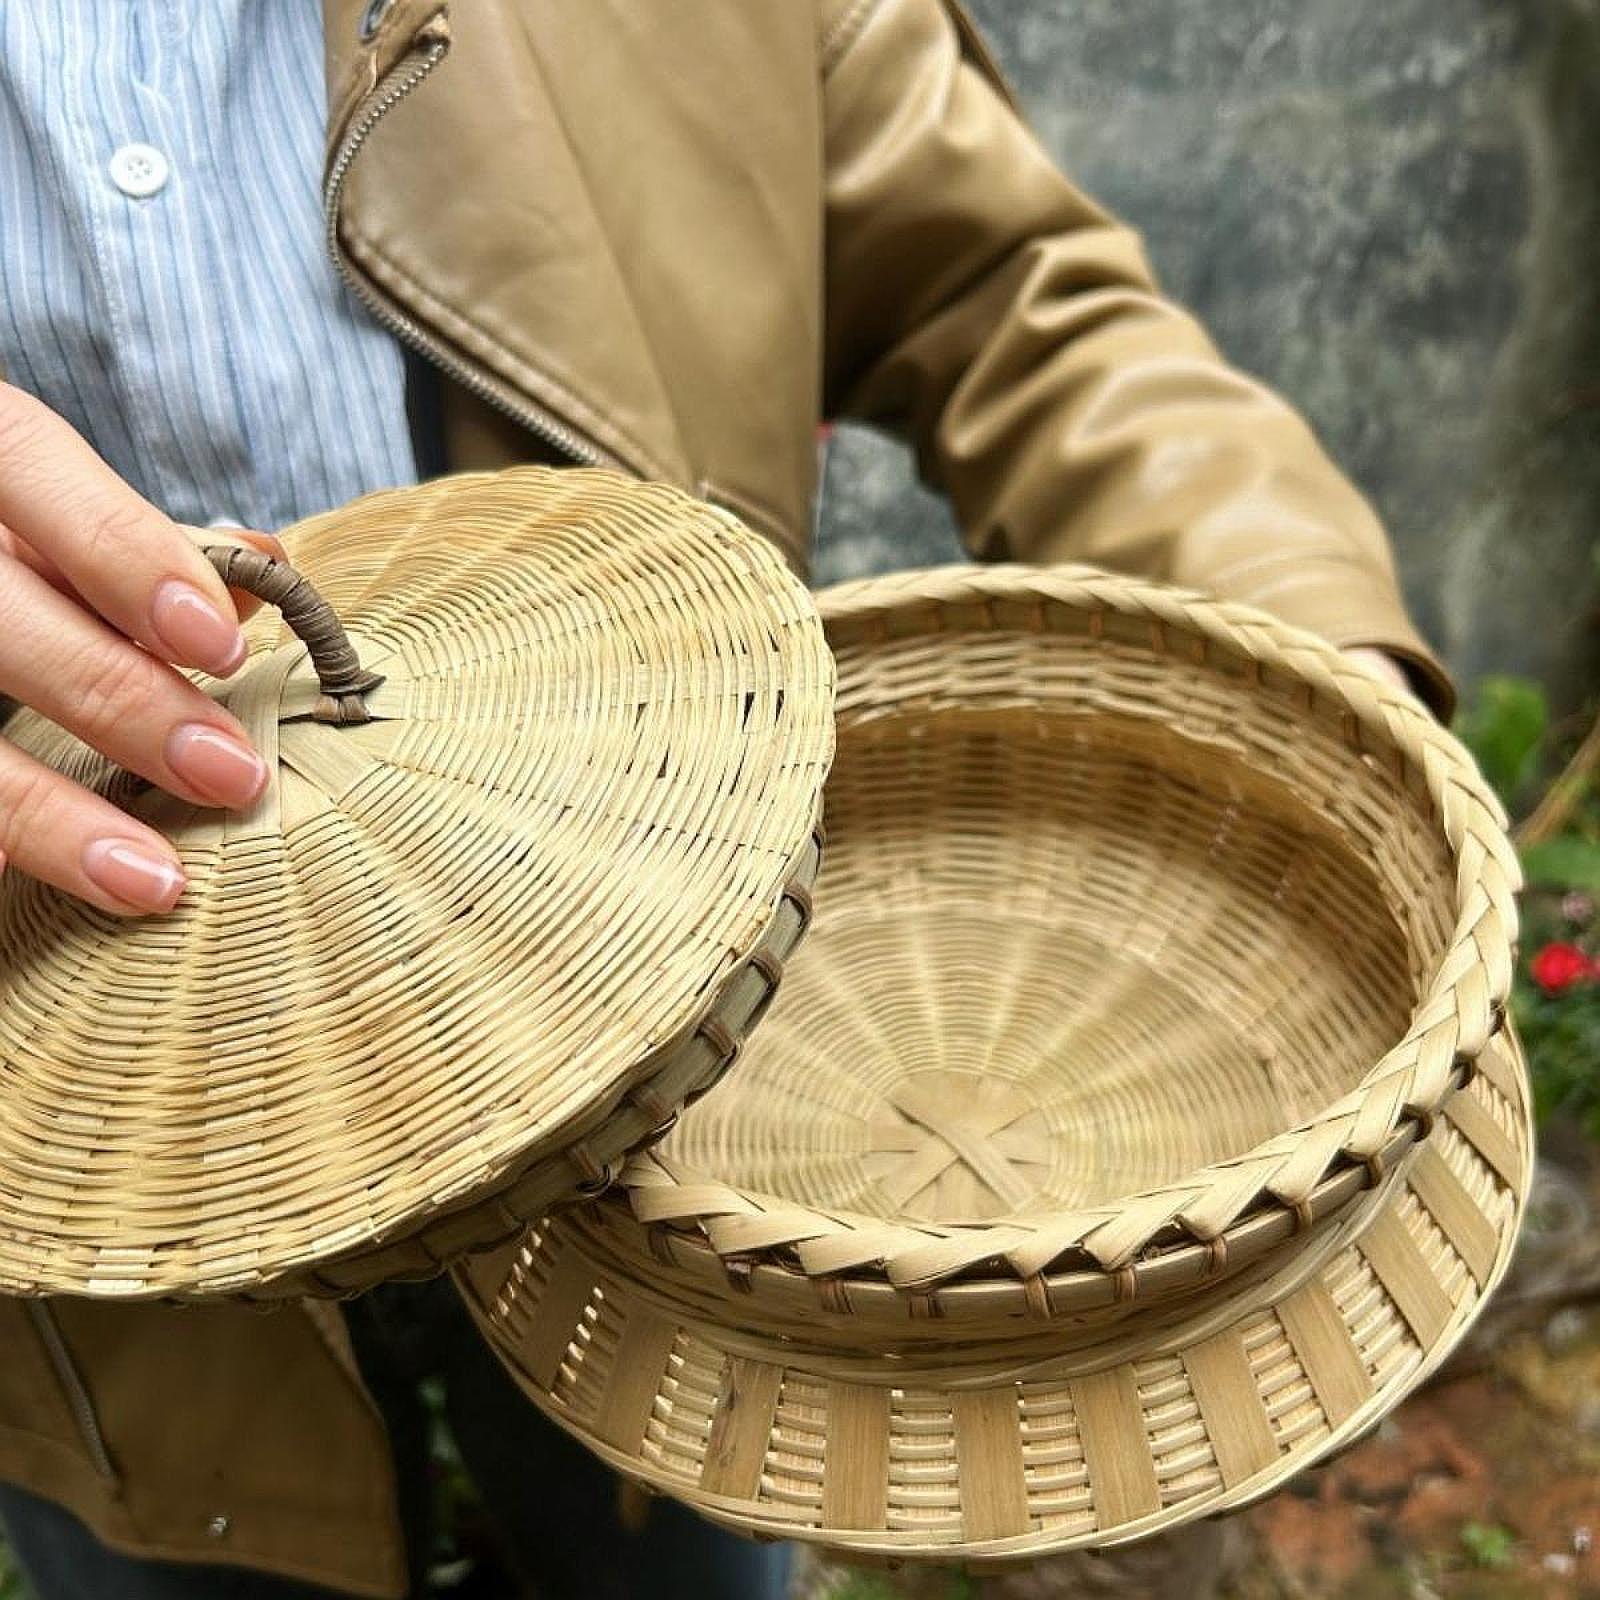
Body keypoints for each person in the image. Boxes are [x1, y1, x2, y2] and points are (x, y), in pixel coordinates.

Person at [0, 2, 1451, 1595]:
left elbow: (1008, 293)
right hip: (92, 1244)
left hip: (686, 1135)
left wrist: (1323, 673)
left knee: (672, 1558)